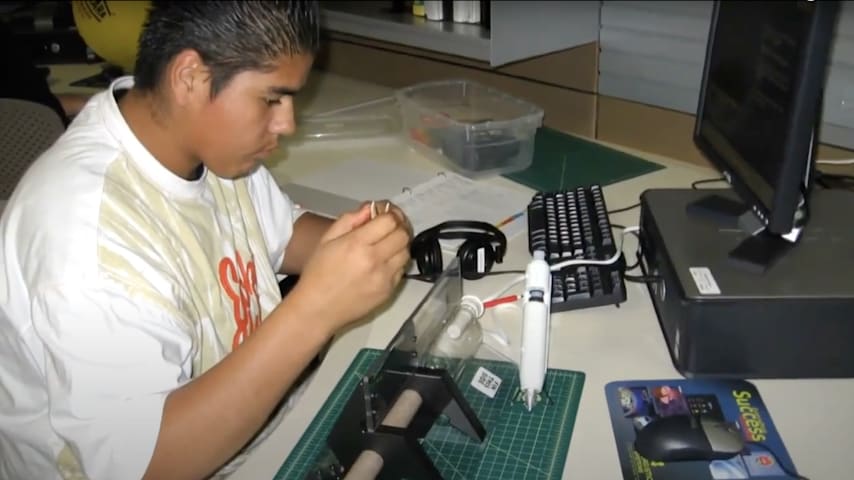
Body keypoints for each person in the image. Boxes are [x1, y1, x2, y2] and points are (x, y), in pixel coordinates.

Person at [0, 2, 413, 479]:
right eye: (272, 99)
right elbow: (147, 465)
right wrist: (316, 309)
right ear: (190, 77)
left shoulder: (208, 149)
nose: (288, 124)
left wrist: (363, 241)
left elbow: (278, 234)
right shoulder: (85, 235)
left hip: (258, 437)